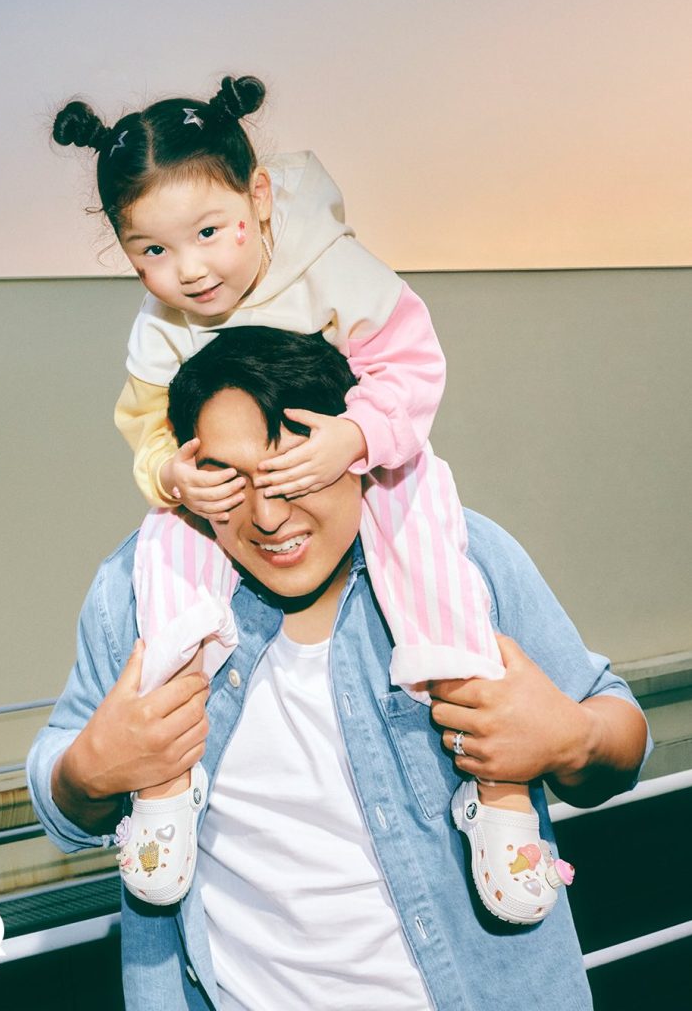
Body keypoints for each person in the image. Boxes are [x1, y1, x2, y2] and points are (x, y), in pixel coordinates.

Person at [51, 74, 564, 922]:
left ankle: (499, 794)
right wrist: (173, 476)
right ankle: (165, 785)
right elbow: (145, 428)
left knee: (433, 563)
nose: (188, 270)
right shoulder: (158, 327)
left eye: (207, 232)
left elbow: (411, 366)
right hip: (215, 493)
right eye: (151, 251)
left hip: (368, 461)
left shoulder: (331, 267)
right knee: (164, 554)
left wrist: (354, 437)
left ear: (258, 196)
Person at [27, 327, 649, 1011]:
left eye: (295, 474)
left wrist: (571, 739)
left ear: (357, 451)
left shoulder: (458, 561)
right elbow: (62, 799)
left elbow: (620, 737)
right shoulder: (141, 591)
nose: (267, 516)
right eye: (228, 481)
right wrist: (89, 771)